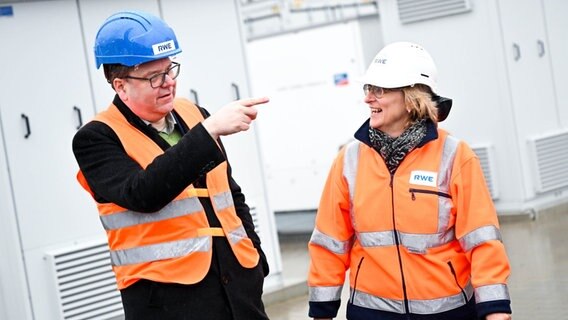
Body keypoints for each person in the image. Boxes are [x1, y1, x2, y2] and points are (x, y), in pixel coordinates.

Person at [72, 11, 270, 320]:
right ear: (120, 85)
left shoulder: (194, 114)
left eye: (170, 70)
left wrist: (256, 259)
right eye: (154, 77)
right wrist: (209, 132)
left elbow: (230, 195)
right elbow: (143, 194)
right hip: (166, 300)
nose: (168, 84)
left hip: (238, 287)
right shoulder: (96, 138)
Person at [307, 42, 512, 320]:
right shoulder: (349, 160)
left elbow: (482, 241)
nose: (369, 99)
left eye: (379, 90)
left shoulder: (454, 155)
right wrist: (322, 311)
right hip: (372, 312)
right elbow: (330, 243)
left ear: (412, 96)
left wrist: (496, 309)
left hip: (446, 312)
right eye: (368, 89)